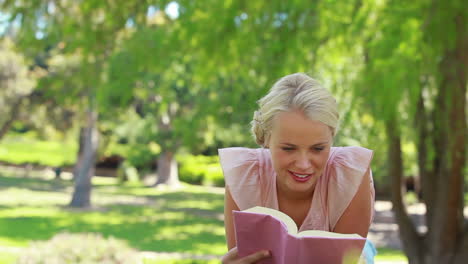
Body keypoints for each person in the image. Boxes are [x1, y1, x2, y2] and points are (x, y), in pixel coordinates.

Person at [219, 73, 376, 263]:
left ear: (332, 139)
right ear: (266, 139)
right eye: (288, 148)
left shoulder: (350, 174)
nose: (303, 164)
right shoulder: (244, 176)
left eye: (318, 148)